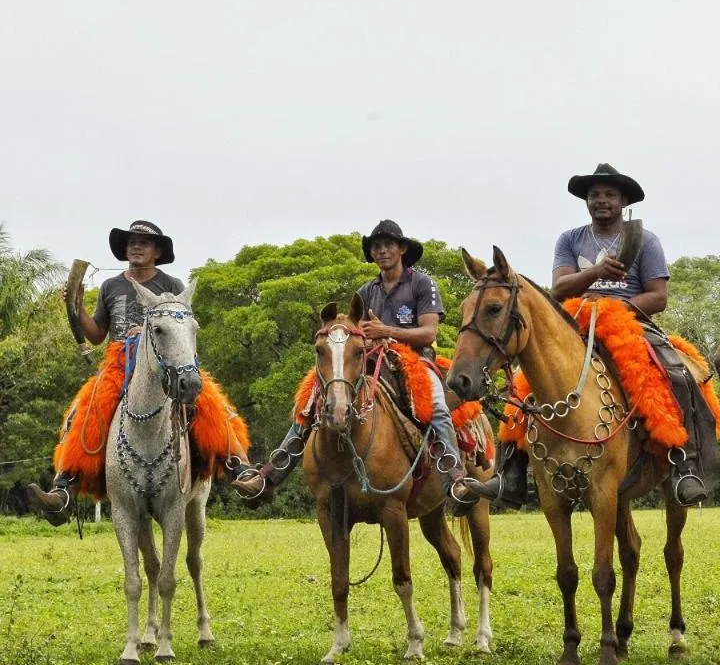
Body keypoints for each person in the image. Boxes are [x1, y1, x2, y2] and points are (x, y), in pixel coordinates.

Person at [466, 163, 715, 507]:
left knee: (674, 373)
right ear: (586, 201)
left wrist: (615, 306)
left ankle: (684, 464)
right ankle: (510, 471)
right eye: (595, 195)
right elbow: (559, 288)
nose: (601, 200)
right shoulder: (570, 239)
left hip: (630, 324)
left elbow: (658, 297)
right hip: (575, 324)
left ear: (623, 201)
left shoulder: (644, 239)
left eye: (610, 194)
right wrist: (596, 272)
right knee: (527, 381)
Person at [26, 220, 259, 523]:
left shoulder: (172, 284)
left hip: (167, 361)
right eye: (131, 242)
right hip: (120, 362)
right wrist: (78, 307)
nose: (135, 246)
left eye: (144, 242)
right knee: (86, 410)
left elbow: (182, 329)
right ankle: (63, 489)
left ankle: (241, 470)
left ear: (157, 252)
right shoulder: (111, 286)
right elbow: (96, 335)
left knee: (210, 403)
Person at [243, 220, 476, 514]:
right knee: (311, 400)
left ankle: (455, 480)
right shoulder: (366, 291)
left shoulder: (421, 283)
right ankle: (269, 478)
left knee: (438, 408)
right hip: (369, 359)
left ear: (402, 249)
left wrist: (386, 331)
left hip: (415, 361)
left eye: (388, 245)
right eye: (376, 247)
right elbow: (356, 333)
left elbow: (429, 333)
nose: (382, 251)